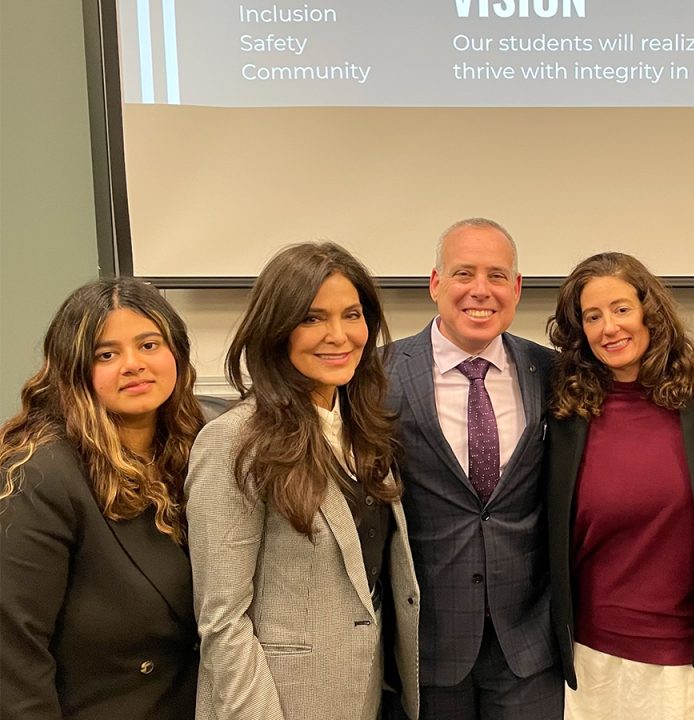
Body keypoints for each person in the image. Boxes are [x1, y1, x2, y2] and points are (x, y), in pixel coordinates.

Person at [186, 242, 420, 720]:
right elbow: (223, 622)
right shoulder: (233, 442)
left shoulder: (365, 429)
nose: (339, 335)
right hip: (279, 704)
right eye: (312, 318)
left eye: (351, 315)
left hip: (364, 696)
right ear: (276, 330)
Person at [543, 252, 694, 719]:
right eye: (592, 316)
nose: (609, 328)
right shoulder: (562, 411)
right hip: (594, 661)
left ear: (649, 311)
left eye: (621, 309)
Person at [0, 278, 204, 719]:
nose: (133, 365)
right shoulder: (40, 473)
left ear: (177, 353)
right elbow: (13, 650)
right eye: (106, 355)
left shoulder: (205, 448)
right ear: (73, 370)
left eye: (149, 345)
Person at [382, 218, 562, 719]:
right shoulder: (377, 374)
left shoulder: (551, 372)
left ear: (517, 287)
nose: (480, 290)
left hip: (529, 646)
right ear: (435, 283)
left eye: (497, 276)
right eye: (464, 273)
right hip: (427, 644)